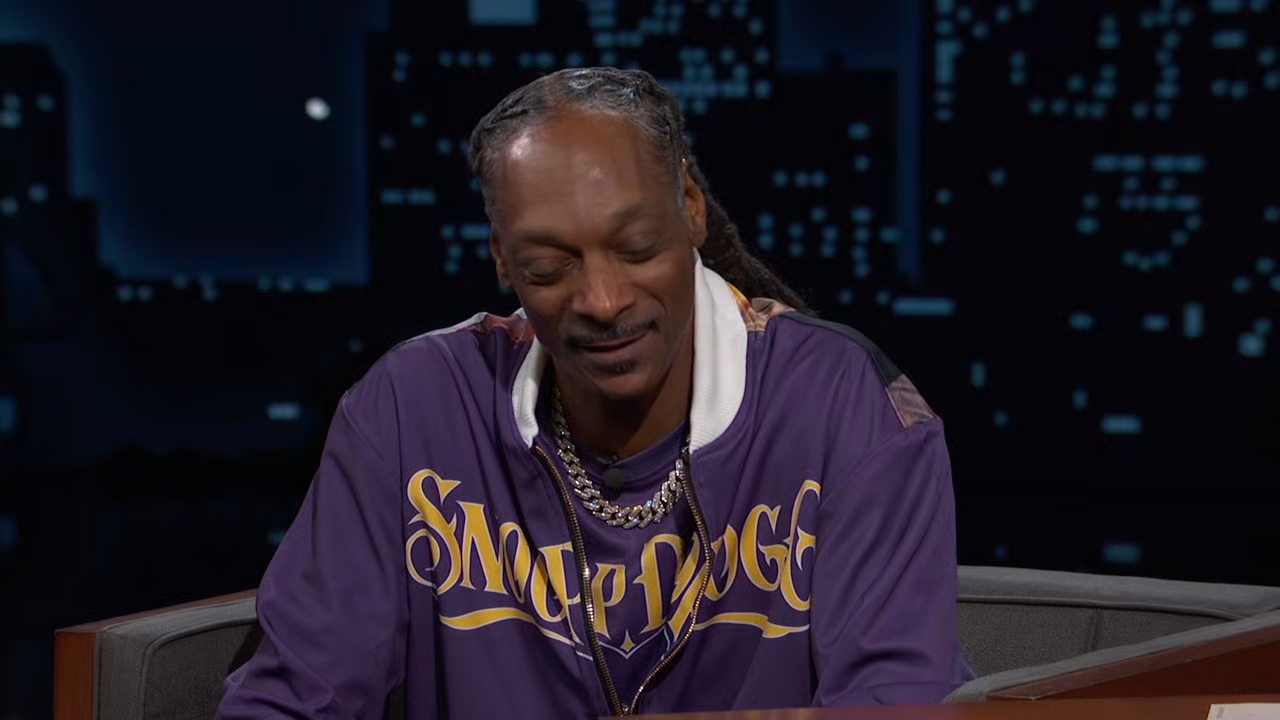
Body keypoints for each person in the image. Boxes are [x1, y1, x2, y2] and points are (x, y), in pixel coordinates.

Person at [219, 66, 975, 719]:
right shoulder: (409, 408)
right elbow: (293, 697)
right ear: (502, 261)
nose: (604, 301)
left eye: (636, 248)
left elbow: (895, 699)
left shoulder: (848, 405)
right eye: (549, 269)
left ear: (691, 207)